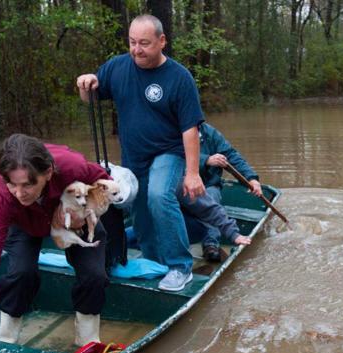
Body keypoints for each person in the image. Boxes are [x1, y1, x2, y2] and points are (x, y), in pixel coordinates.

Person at [0, 134, 111, 353]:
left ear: (49, 173)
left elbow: (105, 183)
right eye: (12, 183)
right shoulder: (2, 195)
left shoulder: (72, 165)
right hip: (25, 224)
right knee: (21, 273)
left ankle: (86, 340)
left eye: (28, 185)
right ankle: (7, 341)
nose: (19, 193)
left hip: (73, 217)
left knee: (94, 275)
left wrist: (84, 210)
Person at [77, 14, 206, 293]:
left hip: (169, 153)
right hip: (134, 157)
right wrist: (85, 84)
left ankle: (180, 267)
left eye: (144, 43)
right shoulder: (117, 67)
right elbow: (91, 98)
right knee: (141, 212)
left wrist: (193, 173)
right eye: (133, 42)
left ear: (162, 42)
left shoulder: (179, 78)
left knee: (159, 195)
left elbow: (190, 130)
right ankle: (153, 263)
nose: (137, 50)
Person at [180, 122, 262, 261]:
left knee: (211, 197)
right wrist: (206, 160)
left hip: (208, 185)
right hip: (181, 185)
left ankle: (210, 245)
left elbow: (231, 155)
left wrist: (251, 178)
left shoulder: (209, 132)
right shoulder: (171, 131)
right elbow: (172, 157)